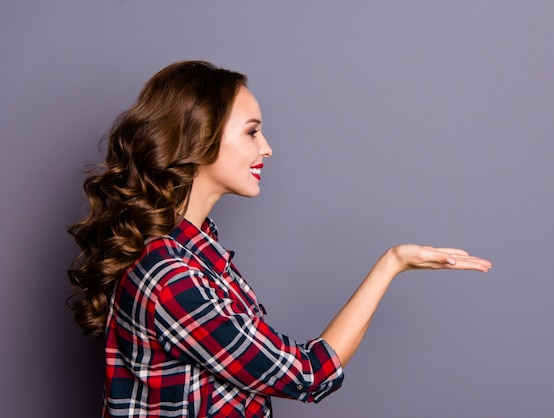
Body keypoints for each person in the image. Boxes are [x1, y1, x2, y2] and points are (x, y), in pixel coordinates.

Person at [67, 60, 491, 418]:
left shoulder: (195, 251)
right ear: (198, 140)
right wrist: (392, 264)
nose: (267, 148)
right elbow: (308, 375)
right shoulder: (170, 278)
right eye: (252, 132)